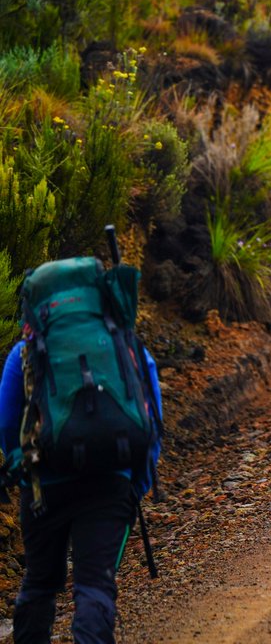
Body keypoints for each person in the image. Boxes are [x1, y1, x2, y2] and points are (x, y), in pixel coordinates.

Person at [2, 270, 163, 644]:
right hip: (111, 479)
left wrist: (25, 475)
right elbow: (151, 415)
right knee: (94, 585)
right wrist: (137, 481)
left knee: (40, 582)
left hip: (45, 485)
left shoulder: (26, 350)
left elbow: (9, 423)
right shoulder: (123, 342)